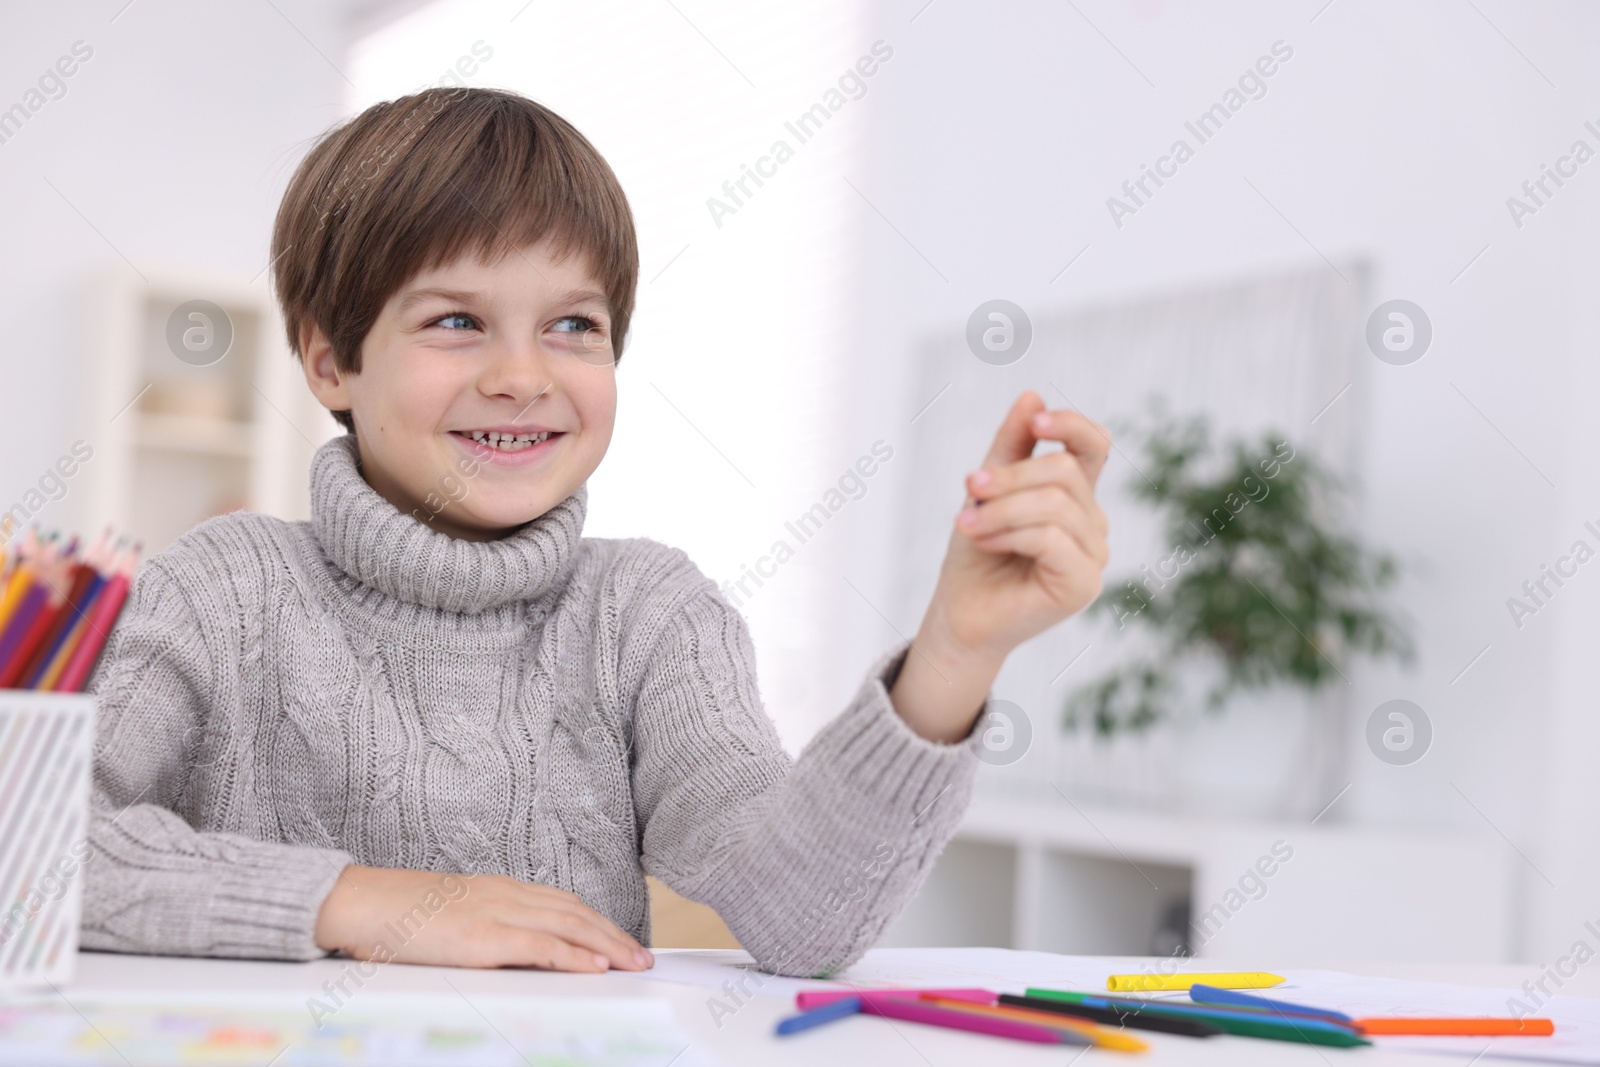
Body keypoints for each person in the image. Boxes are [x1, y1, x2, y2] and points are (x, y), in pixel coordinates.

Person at [83, 87, 1110, 978]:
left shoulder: (648, 613)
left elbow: (804, 917)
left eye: (573, 325)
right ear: (329, 362)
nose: (524, 376)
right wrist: (358, 900)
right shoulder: (220, 588)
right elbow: (28, 852)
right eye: (455, 319)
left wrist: (954, 651)